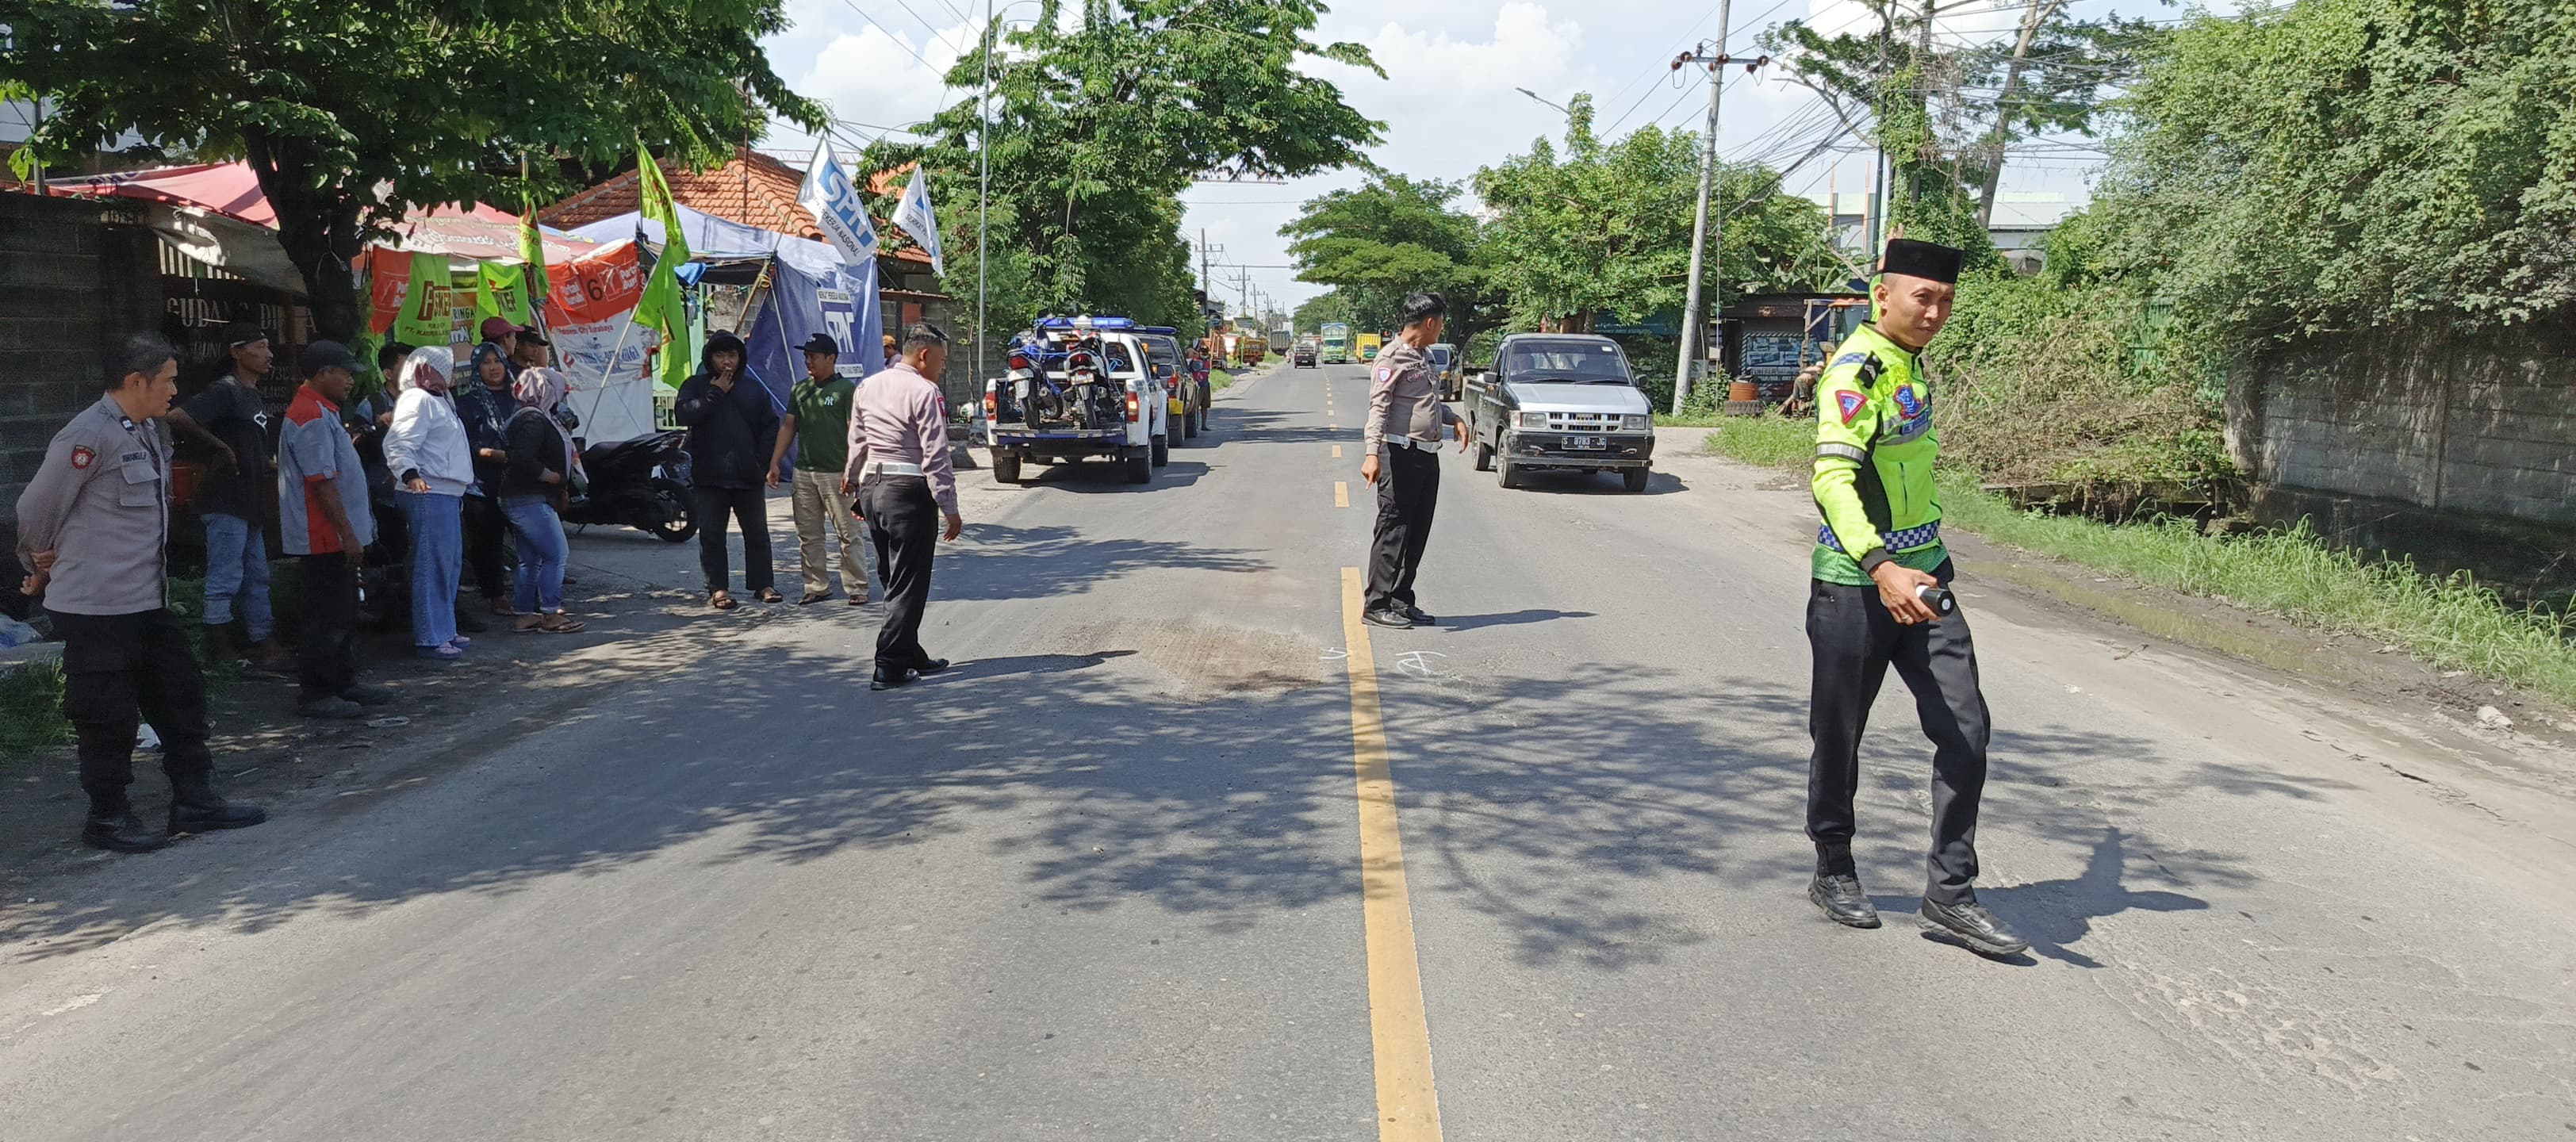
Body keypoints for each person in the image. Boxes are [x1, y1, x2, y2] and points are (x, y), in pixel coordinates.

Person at [1801, 237, 2026, 957]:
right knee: (1840, 735)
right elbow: (1832, 479)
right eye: (1922, 297)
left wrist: (1915, 568)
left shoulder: (1910, 365)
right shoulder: (1857, 370)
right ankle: (1833, 865)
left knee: (1967, 732)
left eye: (1945, 300)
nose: (1936, 312)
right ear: (1883, 295)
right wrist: (1879, 567)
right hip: (1857, 587)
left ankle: (1951, 894)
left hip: (1927, 581)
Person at [15, 335, 266, 851]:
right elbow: (35, 509)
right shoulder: (88, 435)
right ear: (136, 382)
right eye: (169, 379)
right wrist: (38, 561)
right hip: (96, 606)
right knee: (107, 714)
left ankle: (194, 802)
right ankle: (108, 818)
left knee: (181, 696)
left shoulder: (148, 429)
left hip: (146, 599)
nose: (176, 388)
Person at [844, 323, 963, 691]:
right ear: (924, 355)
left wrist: (851, 481)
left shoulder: (868, 386)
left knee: (892, 577)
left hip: (873, 487)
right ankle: (889, 664)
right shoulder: (924, 391)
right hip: (907, 490)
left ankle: (910, 652)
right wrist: (949, 505)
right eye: (941, 361)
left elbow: (857, 441)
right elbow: (935, 455)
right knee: (908, 583)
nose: (942, 368)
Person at [175, 320, 294, 673]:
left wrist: (265, 464)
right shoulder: (225, 389)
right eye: (259, 346)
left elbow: (247, 445)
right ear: (236, 352)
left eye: (268, 346)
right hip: (226, 500)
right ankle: (221, 650)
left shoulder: (251, 394)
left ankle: (265, 643)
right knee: (225, 576)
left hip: (249, 499)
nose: (268, 353)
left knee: (257, 575)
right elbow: (178, 417)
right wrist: (222, 448)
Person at [277, 340, 387, 719]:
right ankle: (317, 692)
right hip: (322, 536)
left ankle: (343, 682)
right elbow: (321, 482)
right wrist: (348, 534)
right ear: (324, 373)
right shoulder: (309, 415)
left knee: (341, 613)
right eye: (344, 374)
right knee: (325, 617)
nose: (350, 382)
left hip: (334, 535)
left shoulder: (323, 411)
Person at [1358, 291, 1470, 630]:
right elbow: (1378, 409)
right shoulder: (1390, 359)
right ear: (1430, 322)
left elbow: (1428, 404)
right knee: (1394, 530)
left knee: (1417, 531)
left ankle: (1400, 599)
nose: (1442, 330)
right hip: (1400, 456)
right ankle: (1376, 604)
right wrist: (1371, 454)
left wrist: (1455, 419)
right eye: (1441, 323)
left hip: (1427, 456)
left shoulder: (1425, 357)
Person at [673, 330, 782, 609]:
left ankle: (763, 584)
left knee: (757, 532)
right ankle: (718, 588)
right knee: (712, 534)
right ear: (710, 358)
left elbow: (770, 427)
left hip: (747, 475)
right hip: (710, 475)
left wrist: (761, 462)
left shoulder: (753, 389)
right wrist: (715, 393)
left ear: (740, 358)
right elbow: (685, 413)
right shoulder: (695, 386)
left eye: (732, 355)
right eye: (720, 355)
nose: (726, 362)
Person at [383, 347, 476, 662]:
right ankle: (430, 636)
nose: (451, 375)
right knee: (431, 564)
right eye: (444, 368)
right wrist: (409, 474)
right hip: (428, 491)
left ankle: (444, 629)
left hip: (446, 493)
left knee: (448, 565)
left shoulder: (439, 400)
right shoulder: (417, 399)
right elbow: (398, 442)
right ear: (426, 370)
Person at [768, 332, 870, 606]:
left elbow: (855, 433)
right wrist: (775, 462)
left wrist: (853, 470)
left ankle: (857, 586)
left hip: (837, 473)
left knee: (848, 533)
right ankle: (816, 586)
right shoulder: (800, 390)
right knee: (809, 533)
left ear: (831, 358)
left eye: (813, 356)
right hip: (804, 472)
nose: (808, 361)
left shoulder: (846, 391)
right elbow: (789, 426)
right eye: (806, 356)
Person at [499, 367, 585, 634]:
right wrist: (550, 477)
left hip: (522, 497)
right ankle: (550, 614)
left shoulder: (530, 417)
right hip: (528, 497)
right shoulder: (534, 420)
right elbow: (523, 457)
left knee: (531, 558)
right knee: (556, 553)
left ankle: (525, 614)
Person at [451, 340, 519, 617]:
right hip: (481, 481)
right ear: (477, 368)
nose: (493, 368)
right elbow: (460, 440)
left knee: (528, 536)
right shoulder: (466, 403)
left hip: (520, 478)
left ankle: (535, 590)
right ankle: (495, 594)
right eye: (486, 363)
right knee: (487, 541)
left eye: (497, 361)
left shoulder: (520, 397)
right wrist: (487, 452)